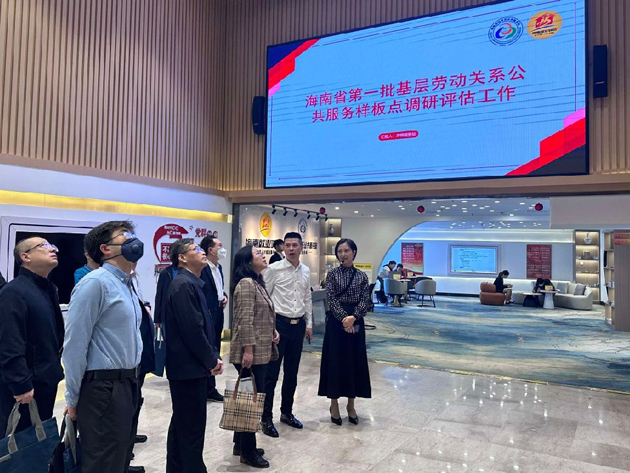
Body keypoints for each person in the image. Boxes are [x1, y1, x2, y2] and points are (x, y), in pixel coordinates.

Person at [63, 220, 144, 473]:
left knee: (119, 459)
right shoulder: (95, 283)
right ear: (105, 249)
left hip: (128, 383)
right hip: (103, 388)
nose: (132, 239)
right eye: (124, 235)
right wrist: (72, 397)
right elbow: (75, 345)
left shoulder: (126, 284)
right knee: (102, 462)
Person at [164, 238, 223, 473]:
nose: (202, 252)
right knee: (191, 429)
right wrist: (211, 360)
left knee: (183, 426)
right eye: (195, 249)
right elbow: (192, 330)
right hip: (187, 370)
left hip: (191, 368)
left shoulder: (191, 283)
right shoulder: (183, 285)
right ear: (182, 258)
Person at [0, 237, 64, 435]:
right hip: (27, 386)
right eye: (43, 246)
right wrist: (21, 384)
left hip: (45, 381)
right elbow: (10, 341)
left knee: (38, 439)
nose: (52, 249)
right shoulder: (14, 292)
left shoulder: (48, 289)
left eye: (52, 245)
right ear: (25, 257)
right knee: (19, 442)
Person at [230, 246, 280, 469]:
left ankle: (240, 445)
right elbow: (245, 320)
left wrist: (273, 331)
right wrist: (248, 351)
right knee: (251, 402)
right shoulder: (246, 284)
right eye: (258, 254)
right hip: (251, 353)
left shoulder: (257, 282)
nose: (263, 255)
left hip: (259, 349)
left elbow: (261, 315)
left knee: (246, 399)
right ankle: (248, 451)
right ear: (248, 262)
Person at [261, 232, 313, 438]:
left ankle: (287, 412)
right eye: (288, 245)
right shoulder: (273, 269)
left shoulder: (306, 270)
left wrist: (309, 323)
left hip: (297, 325)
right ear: (283, 247)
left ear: (301, 247)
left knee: (292, 373)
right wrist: (269, 327)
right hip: (278, 325)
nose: (291, 249)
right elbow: (265, 298)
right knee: (271, 374)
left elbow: (307, 298)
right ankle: (266, 417)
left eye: (295, 245)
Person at [318, 238, 371, 426]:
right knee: (335, 361)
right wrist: (344, 319)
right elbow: (331, 299)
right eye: (340, 251)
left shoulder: (362, 276)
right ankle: (333, 404)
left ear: (354, 252)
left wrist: (353, 317)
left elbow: (365, 300)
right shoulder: (332, 274)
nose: (343, 254)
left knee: (353, 362)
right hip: (336, 322)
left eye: (346, 250)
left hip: (355, 321)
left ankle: (351, 405)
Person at [200, 235, 228, 402]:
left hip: (218, 312)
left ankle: (211, 386)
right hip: (207, 314)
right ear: (210, 250)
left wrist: (224, 296)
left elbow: (218, 289)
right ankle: (206, 386)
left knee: (216, 346)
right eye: (219, 246)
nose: (222, 249)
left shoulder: (219, 268)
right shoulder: (203, 269)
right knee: (207, 348)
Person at [154, 261, 179, 330]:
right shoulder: (165, 272)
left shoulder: (190, 271)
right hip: (167, 315)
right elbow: (159, 295)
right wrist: (157, 318)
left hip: (184, 315)